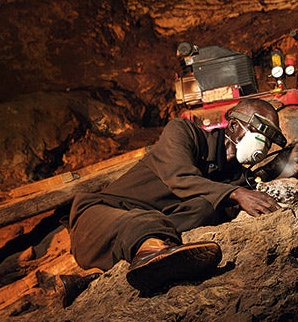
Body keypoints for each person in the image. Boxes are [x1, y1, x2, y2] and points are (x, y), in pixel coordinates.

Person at [68, 98, 286, 292]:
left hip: (138, 232)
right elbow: (179, 177)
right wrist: (236, 193)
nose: (263, 142)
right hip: (96, 219)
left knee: (204, 209)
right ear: (234, 125)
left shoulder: (234, 179)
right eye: (259, 130)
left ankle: (96, 279)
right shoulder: (183, 132)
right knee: (143, 221)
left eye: (269, 138)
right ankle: (151, 255)